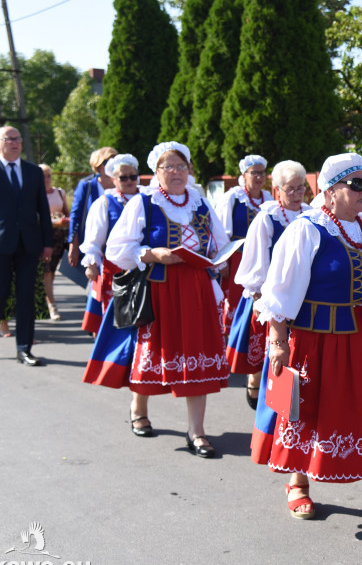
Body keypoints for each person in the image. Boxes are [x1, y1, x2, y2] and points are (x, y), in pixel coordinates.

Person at [254, 152, 362, 538]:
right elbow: (280, 292)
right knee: (308, 410)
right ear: (330, 192)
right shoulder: (307, 230)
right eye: (356, 185)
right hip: (318, 341)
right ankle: (297, 483)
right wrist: (278, 342)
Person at [103, 142, 230, 457]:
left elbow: (220, 242)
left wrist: (219, 257)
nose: (176, 172)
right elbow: (116, 248)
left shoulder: (200, 203)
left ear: (189, 171)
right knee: (153, 354)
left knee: (198, 358)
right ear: (156, 173)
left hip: (197, 288)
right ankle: (139, 407)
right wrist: (150, 254)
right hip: (160, 288)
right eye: (168, 167)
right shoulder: (144, 202)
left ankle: (196, 431)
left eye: (181, 166)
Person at [80, 154, 154, 436]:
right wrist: (91, 264)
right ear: (112, 179)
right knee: (130, 342)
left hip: (149, 278)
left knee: (146, 343)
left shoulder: (150, 200)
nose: (130, 181)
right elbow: (94, 241)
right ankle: (138, 408)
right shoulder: (105, 203)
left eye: (134, 176)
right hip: (119, 281)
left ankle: (142, 402)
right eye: (124, 177)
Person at [226, 160, 310, 411]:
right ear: (278, 191)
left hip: (303, 299)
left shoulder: (311, 215)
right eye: (290, 189)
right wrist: (260, 303)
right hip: (271, 299)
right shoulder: (266, 219)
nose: (296, 194)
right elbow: (255, 266)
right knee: (271, 355)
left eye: (301, 188)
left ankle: (293, 406)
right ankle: (266, 397)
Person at [0, 126, 54, 365]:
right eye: (9, 139)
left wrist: (47, 242)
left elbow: (43, 211)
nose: (15, 143)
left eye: (17, 139)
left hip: (29, 243)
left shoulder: (33, 171)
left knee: (26, 295)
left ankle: (24, 348)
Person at [215, 154, 271, 333]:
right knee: (235, 300)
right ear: (244, 174)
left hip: (264, 260)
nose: (259, 177)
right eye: (254, 172)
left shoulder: (268, 198)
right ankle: (231, 342)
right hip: (238, 259)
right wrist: (223, 262)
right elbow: (222, 232)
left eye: (262, 173)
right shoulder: (233, 197)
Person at [67, 147, 117, 268]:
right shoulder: (87, 186)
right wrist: (73, 245)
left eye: (115, 162)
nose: (113, 166)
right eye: (108, 163)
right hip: (92, 243)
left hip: (114, 244)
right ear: (99, 166)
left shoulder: (121, 184)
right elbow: (76, 216)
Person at [39, 164, 70, 320]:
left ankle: (46, 298)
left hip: (58, 236)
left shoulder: (59, 192)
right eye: (42, 176)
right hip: (41, 236)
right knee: (46, 270)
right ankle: (52, 304)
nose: (46, 179)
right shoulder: (34, 194)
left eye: (48, 175)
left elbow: (66, 213)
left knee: (51, 271)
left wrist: (64, 221)